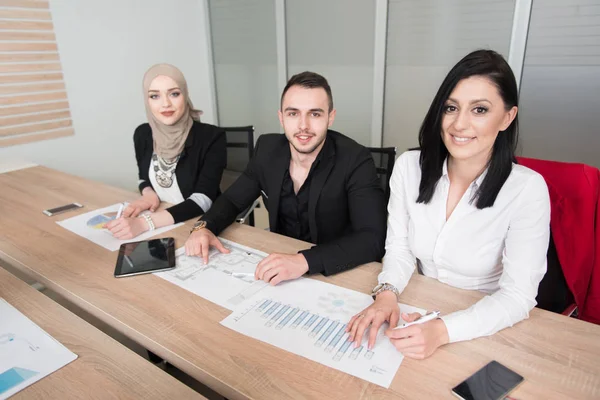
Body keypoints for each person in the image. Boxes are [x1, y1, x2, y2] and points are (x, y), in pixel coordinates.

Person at [346, 50, 551, 359]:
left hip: (485, 324)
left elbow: (518, 295)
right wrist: (386, 293)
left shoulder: (527, 189)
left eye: (480, 109)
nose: (459, 124)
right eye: (451, 107)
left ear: (507, 117)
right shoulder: (409, 167)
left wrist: (443, 330)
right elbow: (399, 247)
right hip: (420, 306)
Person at [184, 71, 386, 285]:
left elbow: (372, 238)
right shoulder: (268, 149)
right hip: (281, 267)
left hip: (335, 271)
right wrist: (203, 227)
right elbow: (233, 200)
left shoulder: (356, 159)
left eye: (315, 114)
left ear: (331, 117)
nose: (303, 126)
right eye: (293, 114)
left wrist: (303, 261)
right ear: (281, 117)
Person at [107, 64, 226, 239]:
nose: (165, 104)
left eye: (174, 94)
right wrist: (148, 195)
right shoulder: (143, 134)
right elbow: (143, 178)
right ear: (147, 100)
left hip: (200, 225)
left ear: (185, 95)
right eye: (154, 96)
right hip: (161, 218)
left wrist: (144, 223)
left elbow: (204, 199)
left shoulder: (212, 137)